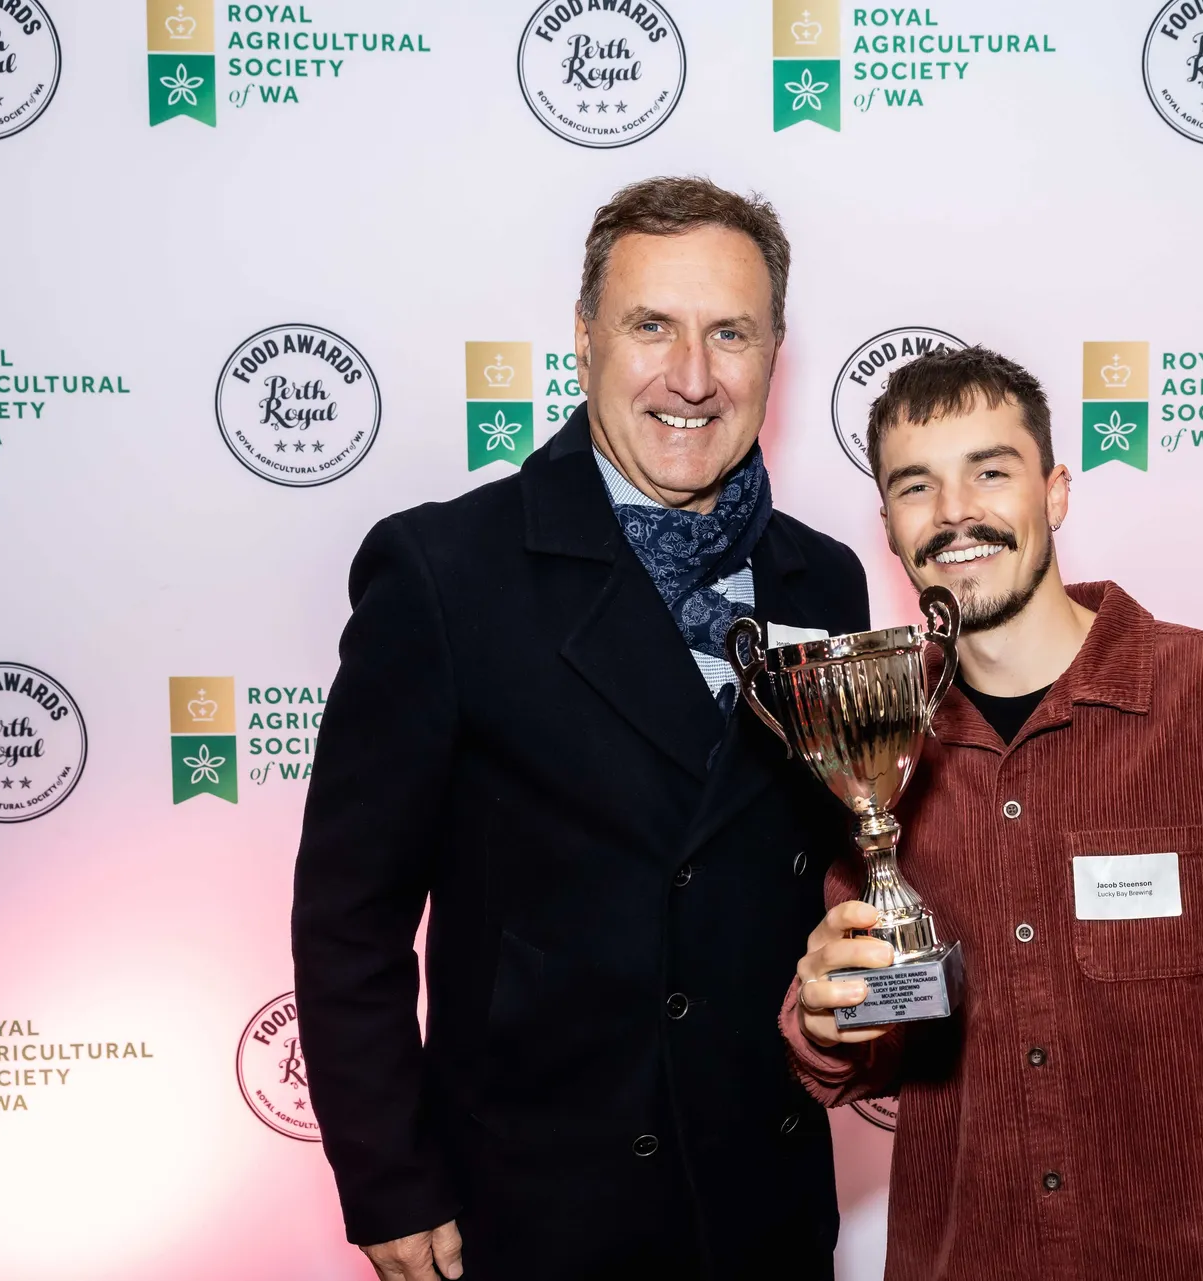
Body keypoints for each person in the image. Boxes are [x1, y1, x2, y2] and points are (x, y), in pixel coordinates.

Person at [293, 177, 869, 1281]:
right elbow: (348, 916)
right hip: (538, 1206)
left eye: (730, 332)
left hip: (767, 1201)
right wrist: (389, 1177)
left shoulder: (825, 578)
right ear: (584, 338)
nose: (691, 377)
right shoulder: (446, 572)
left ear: (775, 354)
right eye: (652, 326)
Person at [782, 346, 1203, 1281]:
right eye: (916, 485)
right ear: (888, 523)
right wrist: (828, 1017)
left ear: (1054, 493)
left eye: (990, 471)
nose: (955, 511)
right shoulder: (880, 739)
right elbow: (866, 1049)